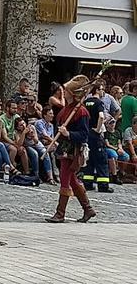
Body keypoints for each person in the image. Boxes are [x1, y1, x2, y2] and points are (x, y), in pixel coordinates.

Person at [46, 75, 96, 224]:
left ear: (72, 93)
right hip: (64, 148)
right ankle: (88, 209)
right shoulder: (67, 109)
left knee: (65, 179)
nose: (64, 91)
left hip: (73, 150)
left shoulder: (81, 112)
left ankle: (60, 213)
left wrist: (68, 134)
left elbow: (84, 134)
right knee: (72, 180)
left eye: (66, 90)